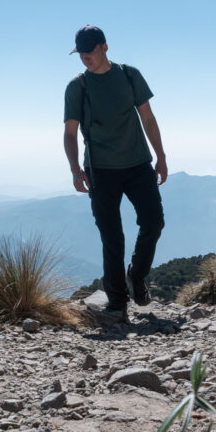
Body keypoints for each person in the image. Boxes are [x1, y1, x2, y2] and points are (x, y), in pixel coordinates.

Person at [63, 25, 167, 319]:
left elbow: (148, 118)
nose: (85, 57)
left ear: (104, 47)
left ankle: (136, 275)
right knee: (112, 237)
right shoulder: (77, 87)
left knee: (154, 222)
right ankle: (117, 302)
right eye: (80, 53)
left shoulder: (130, 75)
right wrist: (74, 169)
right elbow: (70, 133)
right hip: (99, 170)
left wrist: (160, 156)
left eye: (89, 51)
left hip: (137, 164)